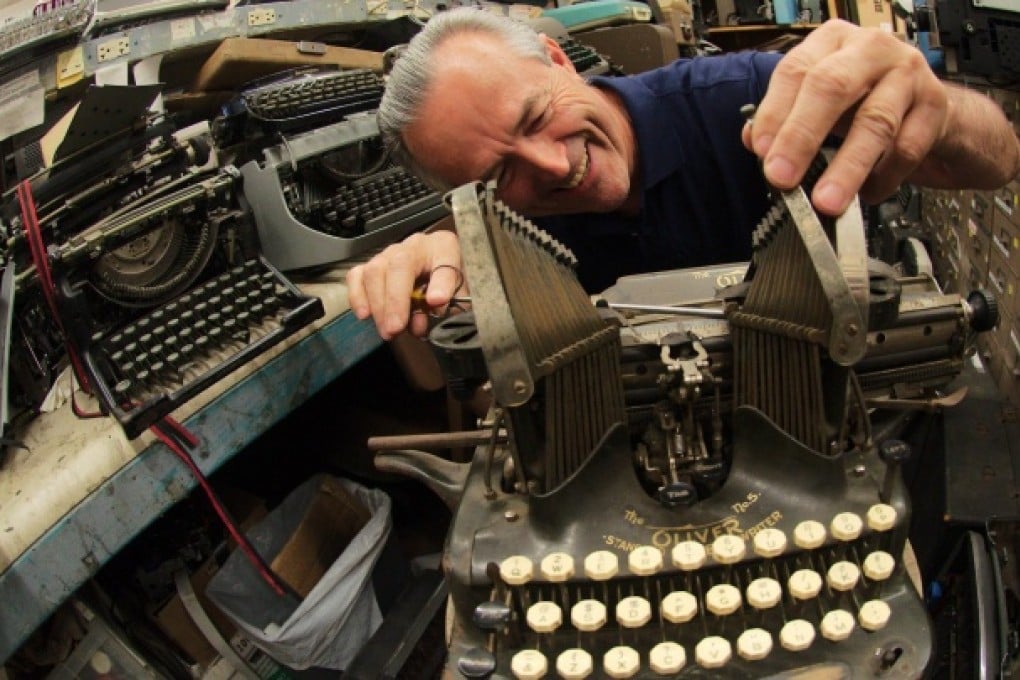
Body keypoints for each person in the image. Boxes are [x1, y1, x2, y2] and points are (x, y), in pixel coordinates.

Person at [347, 7, 1020, 341]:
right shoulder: (504, 226)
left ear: (557, 58)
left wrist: (942, 108)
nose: (554, 166)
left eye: (534, 116)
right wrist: (433, 261)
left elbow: (1000, 159)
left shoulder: (751, 97)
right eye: (499, 174)